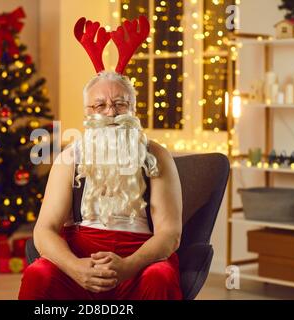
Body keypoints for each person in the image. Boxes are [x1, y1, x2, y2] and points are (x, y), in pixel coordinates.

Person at [18, 16, 183, 300]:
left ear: (132, 109)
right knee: (38, 274)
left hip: (139, 265)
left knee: (161, 276)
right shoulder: (70, 159)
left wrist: (129, 266)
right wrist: (76, 268)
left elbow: (170, 234)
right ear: (88, 112)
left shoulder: (156, 156)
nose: (111, 113)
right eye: (100, 105)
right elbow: (44, 230)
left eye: (121, 104)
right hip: (80, 264)